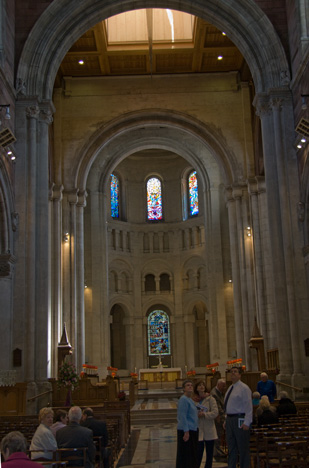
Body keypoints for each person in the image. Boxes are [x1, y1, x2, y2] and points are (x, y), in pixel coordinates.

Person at [224, 366, 252, 468]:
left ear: (240, 375)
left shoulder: (244, 388)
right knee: (231, 448)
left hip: (240, 419)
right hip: (230, 420)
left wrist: (247, 421)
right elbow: (229, 405)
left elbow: (248, 406)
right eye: (231, 372)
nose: (233, 373)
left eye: (235, 372)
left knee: (242, 448)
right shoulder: (230, 387)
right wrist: (226, 419)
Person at [194, 380, 218, 468]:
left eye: (203, 385)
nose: (201, 387)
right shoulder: (194, 400)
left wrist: (204, 414)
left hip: (209, 428)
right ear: (196, 388)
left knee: (209, 454)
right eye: (199, 385)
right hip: (199, 428)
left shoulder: (210, 399)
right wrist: (196, 415)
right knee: (198, 453)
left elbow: (215, 412)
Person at [176, 379, 199, 468]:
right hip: (187, 430)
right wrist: (186, 431)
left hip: (192, 429)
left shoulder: (190, 399)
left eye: (191, 385)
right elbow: (182, 416)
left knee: (192, 455)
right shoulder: (183, 399)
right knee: (187, 456)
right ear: (184, 389)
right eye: (188, 385)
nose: (190, 386)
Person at [210, 379, 227, 460]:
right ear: (219, 385)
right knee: (217, 435)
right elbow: (218, 408)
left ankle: (218, 450)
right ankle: (216, 452)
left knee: (219, 435)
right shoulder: (214, 394)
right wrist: (224, 419)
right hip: (217, 418)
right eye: (223, 386)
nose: (224, 387)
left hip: (220, 417)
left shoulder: (219, 392)